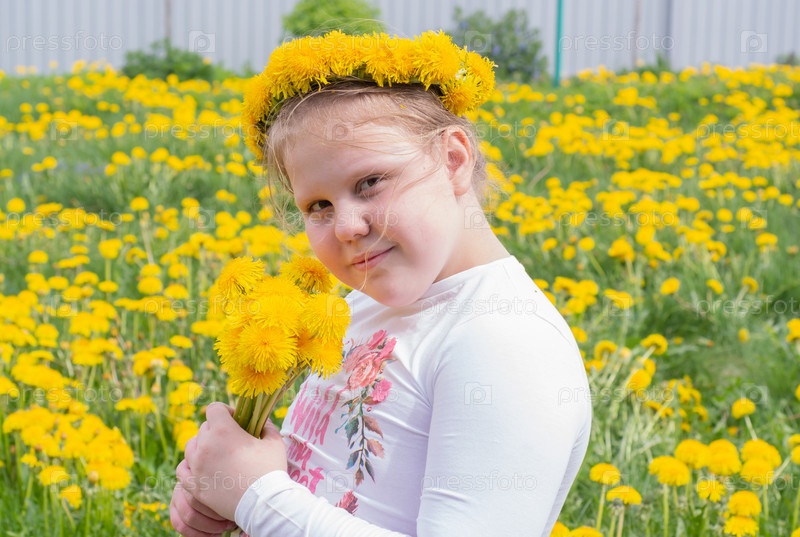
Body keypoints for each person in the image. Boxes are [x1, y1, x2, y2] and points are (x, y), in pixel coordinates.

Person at [170, 30, 591, 537]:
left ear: (454, 160)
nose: (347, 227)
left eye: (369, 183)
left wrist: (259, 497)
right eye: (319, 206)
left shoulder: (506, 341)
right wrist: (230, 489)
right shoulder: (365, 306)